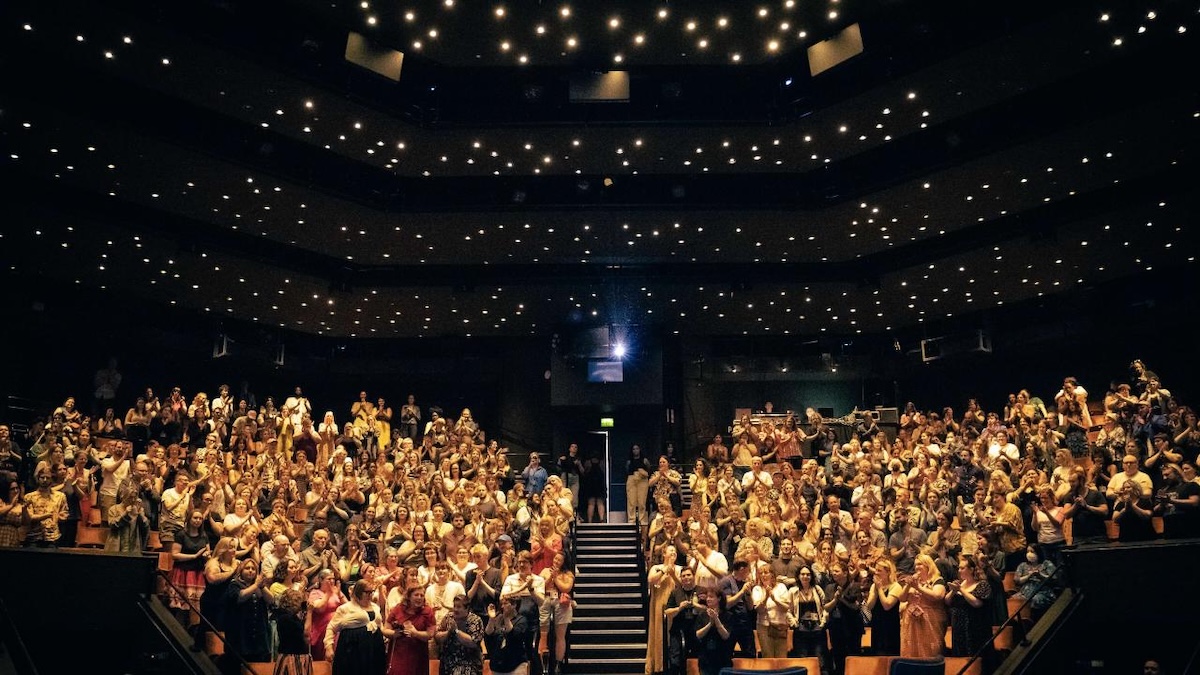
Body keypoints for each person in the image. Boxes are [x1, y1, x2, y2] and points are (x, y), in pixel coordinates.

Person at [325, 579, 387, 675]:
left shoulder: (375, 607)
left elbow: (380, 627)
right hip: (352, 650)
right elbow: (331, 627)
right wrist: (329, 647)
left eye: (372, 592)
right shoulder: (345, 608)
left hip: (374, 648)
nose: (370, 595)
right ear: (358, 592)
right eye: (367, 592)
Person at [898, 553, 947, 658]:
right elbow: (902, 598)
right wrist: (908, 585)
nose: (916, 567)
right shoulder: (914, 580)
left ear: (928, 565)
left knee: (930, 649)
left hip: (930, 619)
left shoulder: (937, 580)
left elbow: (937, 596)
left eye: (920, 564)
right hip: (911, 620)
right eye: (915, 565)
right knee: (911, 650)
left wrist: (918, 587)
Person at [225, 558, 273, 664]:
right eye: (247, 568)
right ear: (241, 571)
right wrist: (255, 585)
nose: (251, 570)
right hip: (240, 632)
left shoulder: (259, 586)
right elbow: (240, 597)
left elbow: (271, 600)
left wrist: (262, 586)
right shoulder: (234, 584)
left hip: (258, 633)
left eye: (253, 569)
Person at [945, 556, 993, 662]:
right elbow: (947, 601)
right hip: (959, 628)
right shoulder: (960, 583)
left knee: (974, 656)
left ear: (971, 569)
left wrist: (960, 589)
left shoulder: (982, 584)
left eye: (962, 568)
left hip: (975, 628)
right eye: (959, 568)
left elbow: (977, 603)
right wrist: (953, 591)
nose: (959, 570)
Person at [822, 563, 865, 674]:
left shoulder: (854, 586)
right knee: (838, 658)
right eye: (833, 571)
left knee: (853, 658)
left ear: (845, 573)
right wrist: (835, 599)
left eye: (836, 571)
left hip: (852, 628)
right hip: (836, 628)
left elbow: (856, 607)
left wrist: (841, 598)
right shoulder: (830, 587)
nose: (833, 573)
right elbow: (826, 607)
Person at [387, 585, 435, 675]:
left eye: (422, 595)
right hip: (399, 653)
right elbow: (385, 629)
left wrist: (416, 633)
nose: (419, 598)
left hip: (418, 655)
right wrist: (394, 633)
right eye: (416, 595)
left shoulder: (428, 611)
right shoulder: (397, 609)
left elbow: (430, 634)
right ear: (408, 596)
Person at [647, 544, 680, 675]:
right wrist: (665, 570)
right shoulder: (657, 568)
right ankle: (658, 665)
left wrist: (673, 574)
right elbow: (651, 580)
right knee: (659, 633)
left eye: (675, 551)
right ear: (664, 554)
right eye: (670, 551)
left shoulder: (679, 569)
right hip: (659, 603)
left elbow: (682, 585)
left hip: (674, 605)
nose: (673, 553)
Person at [434, 594, 484, 675]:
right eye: (454, 606)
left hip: (469, 664)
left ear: (467, 608)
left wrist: (456, 631)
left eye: (459, 607)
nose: (455, 609)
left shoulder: (475, 620)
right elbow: (437, 637)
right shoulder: (448, 617)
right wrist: (448, 632)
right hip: (448, 663)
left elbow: (473, 642)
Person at [788, 565, 827, 661]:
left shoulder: (817, 589)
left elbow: (825, 606)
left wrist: (823, 621)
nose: (805, 576)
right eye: (803, 574)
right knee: (802, 658)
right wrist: (793, 622)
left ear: (811, 576)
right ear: (798, 576)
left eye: (808, 574)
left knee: (820, 658)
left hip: (817, 629)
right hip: (801, 630)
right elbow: (788, 610)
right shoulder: (793, 591)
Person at [484, 595, 530, 675]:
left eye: (505, 603)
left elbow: (514, 636)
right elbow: (488, 633)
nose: (502, 606)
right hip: (498, 665)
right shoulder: (498, 618)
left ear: (514, 605)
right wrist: (491, 618)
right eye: (502, 604)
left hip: (515, 665)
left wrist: (506, 618)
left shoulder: (522, 620)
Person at [752, 566, 791, 658]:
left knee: (781, 657)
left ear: (772, 574)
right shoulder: (757, 589)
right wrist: (765, 597)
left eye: (766, 573)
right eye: (761, 573)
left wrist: (775, 599)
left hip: (780, 626)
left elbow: (786, 608)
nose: (763, 575)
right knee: (768, 656)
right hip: (764, 626)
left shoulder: (781, 587)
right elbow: (759, 610)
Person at [865, 559, 902, 656]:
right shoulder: (874, 586)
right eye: (876, 570)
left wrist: (880, 589)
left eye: (879, 571)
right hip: (877, 625)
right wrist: (876, 591)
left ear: (888, 572)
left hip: (890, 627)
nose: (876, 573)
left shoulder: (895, 586)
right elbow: (869, 606)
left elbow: (887, 605)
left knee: (889, 654)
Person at [693, 588, 733, 675]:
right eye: (707, 597)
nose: (708, 599)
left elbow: (726, 635)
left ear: (719, 598)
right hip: (706, 658)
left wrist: (716, 619)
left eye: (711, 597)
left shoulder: (728, 615)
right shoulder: (702, 615)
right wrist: (710, 624)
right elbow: (698, 634)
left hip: (723, 657)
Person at [273, 589, 313, 675]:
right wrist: (310, 612)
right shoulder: (285, 618)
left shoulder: (293, 617)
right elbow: (306, 633)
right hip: (291, 657)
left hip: (300, 656)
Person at [626, 445, 652, 527]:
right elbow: (627, 470)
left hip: (642, 479)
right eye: (633, 449)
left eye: (637, 448)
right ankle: (631, 519)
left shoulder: (644, 460)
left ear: (640, 449)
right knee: (631, 501)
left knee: (642, 501)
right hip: (632, 478)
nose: (635, 451)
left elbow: (649, 469)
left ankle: (642, 519)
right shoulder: (629, 461)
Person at [580, 455, 607, 523]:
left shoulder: (588, 463)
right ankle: (601, 519)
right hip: (599, 484)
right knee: (600, 503)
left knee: (591, 503)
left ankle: (590, 521)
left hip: (591, 485)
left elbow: (584, 473)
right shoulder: (602, 463)